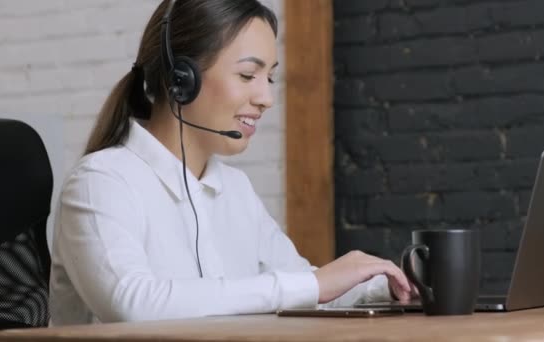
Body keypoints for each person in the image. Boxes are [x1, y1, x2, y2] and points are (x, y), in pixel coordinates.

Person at [48, 0, 413, 326]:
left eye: (269, 77)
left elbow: (308, 292)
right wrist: (312, 284)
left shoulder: (235, 189)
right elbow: (131, 304)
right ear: (181, 80)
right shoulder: (101, 182)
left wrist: (386, 287)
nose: (266, 97)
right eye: (247, 75)